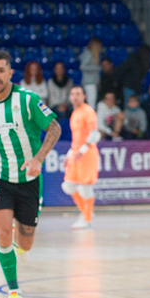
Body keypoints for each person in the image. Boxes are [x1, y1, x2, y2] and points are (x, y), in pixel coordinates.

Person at [0, 50, 62, 298]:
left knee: (27, 241)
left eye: (1, 70)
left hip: (29, 179)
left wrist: (38, 159)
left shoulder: (28, 100)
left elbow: (55, 127)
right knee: (1, 232)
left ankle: (17, 245)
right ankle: (14, 291)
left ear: (10, 73)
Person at [62, 86, 100, 230]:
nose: (75, 97)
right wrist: (69, 154)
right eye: (72, 94)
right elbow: (76, 139)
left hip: (87, 154)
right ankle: (86, 212)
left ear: (84, 96)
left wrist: (82, 150)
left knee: (85, 188)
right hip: (75, 154)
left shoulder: (88, 112)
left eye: (78, 94)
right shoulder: (75, 113)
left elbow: (95, 134)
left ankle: (87, 219)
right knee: (68, 185)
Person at [79, 37, 103, 105]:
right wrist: (97, 68)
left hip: (93, 82)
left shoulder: (95, 54)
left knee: (92, 103)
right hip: (89, 82)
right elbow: (82, 67)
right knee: (91, 104)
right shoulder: (88, 53)